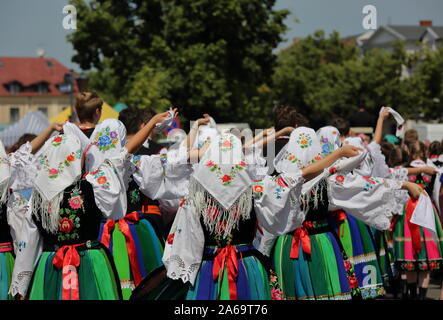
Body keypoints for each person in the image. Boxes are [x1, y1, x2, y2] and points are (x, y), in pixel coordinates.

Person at [9, 110, 173, 300]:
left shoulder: (36, 199)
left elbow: (27, 246)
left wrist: (20, 288)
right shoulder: (93, 184)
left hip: (50, 265)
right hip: (88, 262)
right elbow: (123, 155)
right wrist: (151, 123)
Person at [271, 126, 423, 300]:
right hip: (321, 242)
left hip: (286, 244)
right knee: (326, 288)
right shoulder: (327, 179)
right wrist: (405, 185)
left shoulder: (277, 181)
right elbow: (363, 185)